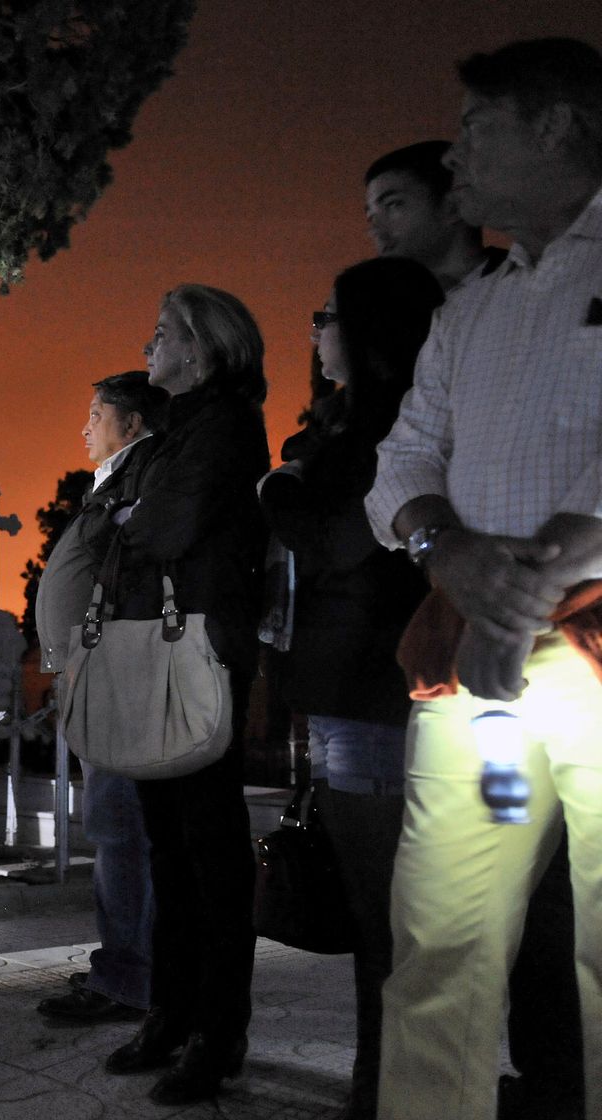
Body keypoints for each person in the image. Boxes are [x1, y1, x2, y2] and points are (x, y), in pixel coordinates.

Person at [364, 38, 602, 1120]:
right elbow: (403, 458)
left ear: (556, 125)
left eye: (476, 128)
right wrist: (439, 547)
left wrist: (538, 576)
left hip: (590, 661)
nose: (456, 155)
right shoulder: (474, 308)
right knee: (442, 942)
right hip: (479, 686)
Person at [259, 257, 441, 1120]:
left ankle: (391, 1093)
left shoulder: (389, 427)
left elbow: (343, 545)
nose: (314, 331)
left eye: (326, 315)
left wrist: (278, 490)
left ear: (368, 333)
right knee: (380, 917)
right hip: (342, 691)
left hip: (376, 691)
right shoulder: (342, 424)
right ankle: (383, 1086)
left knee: (389, 921)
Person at [99, 286, 269, 1106]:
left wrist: (129, 514)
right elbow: (120, 519)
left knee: (210, 852)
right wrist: (127, 514)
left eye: (162, 332)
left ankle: (217, 1031)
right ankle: (171, 1011)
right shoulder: (178, 429)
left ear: (200, 346)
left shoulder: (224, 424)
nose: (147, 343)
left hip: (200, 655)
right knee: (167, 843)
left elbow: (157, 528)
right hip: (159, 653)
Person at [33, 371, 167, 1026]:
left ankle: (128, 980)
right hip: (100, 672)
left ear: (133, 422)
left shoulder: (145, 477)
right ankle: (123, 966)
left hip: (118, 673)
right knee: (116, 830)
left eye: (96, 413)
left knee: (121, 830)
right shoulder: (116, 482)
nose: (84, 426)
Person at [364, 141, 505, 288]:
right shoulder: (383, 305)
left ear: (454, 207)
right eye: (371, 217)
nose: (374, 230)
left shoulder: (522, 285)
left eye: (393, 204)